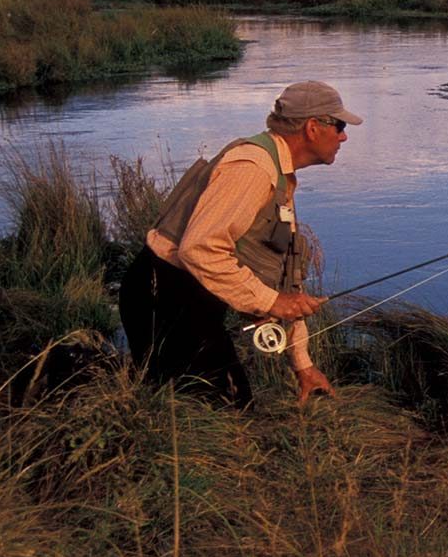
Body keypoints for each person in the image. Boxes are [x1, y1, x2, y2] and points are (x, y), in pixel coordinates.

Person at [118, 80, 361, 407]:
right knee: (223, 407)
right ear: (312, 128)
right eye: (340, 125)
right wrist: (269, 302)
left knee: (211, 403)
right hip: (162, 294)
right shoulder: (253, 168)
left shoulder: (279, 174)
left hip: (191, 295)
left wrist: (302, 365)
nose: (344, 135)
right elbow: (198, 249)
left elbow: (286, 283)